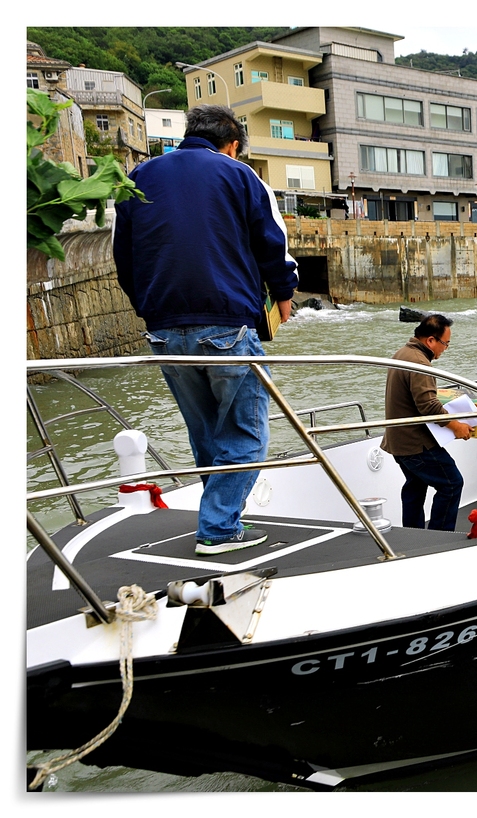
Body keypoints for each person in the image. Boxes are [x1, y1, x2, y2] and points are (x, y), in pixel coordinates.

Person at [113, 105, 298, 556]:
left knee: (208, 435)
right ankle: (217, 529)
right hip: (225, 324)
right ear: (232, 144)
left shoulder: (138, 177)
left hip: (163, 329)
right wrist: (284, 292)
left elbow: (124, 258)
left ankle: (222, 516)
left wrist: (149, 310)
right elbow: (272, 243)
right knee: (248, 436)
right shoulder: (240, 177)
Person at [382, 314, 473, 531]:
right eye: (445, 344)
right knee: (451, 483)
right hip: (415, 443)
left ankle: (413, 536)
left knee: (415, 487)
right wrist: (457, 426)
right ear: (431, 341)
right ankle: (440, 537)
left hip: (398, 442)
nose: (445, 349)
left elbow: (416, 398)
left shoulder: (402, 354)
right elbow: (428, 406)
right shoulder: (420, 363)